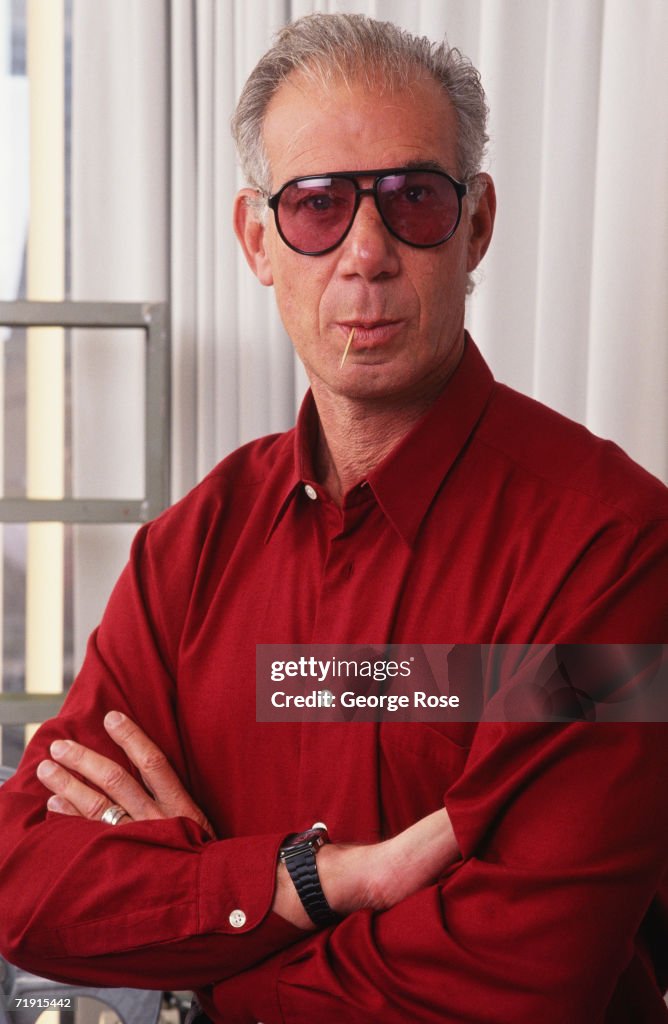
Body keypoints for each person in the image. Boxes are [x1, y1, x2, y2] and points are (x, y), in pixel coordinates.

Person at [1, 12, 667, 1023]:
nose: (365, 252)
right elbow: (21, 876)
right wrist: (311, 881)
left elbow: (523, 982)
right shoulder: (185, 553)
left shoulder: (614, 551)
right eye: (315, 206)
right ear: (257, 239)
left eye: (411, 199)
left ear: (475, 223)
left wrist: (201, 954)